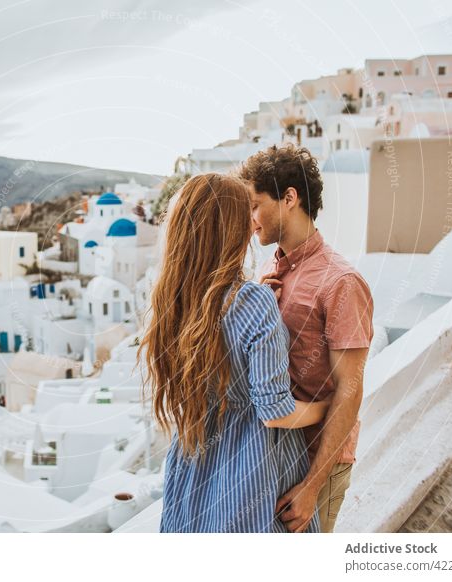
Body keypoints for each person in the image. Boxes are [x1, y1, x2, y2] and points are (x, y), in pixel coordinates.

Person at [140, 173, 329, 533]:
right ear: (231, 228)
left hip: (194, 471)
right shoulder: (254, 302)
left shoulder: (172, 305)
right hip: (251, 474)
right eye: (246, 213)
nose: (253, 221)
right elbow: (274, 412)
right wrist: (327, 407)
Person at [239, 144, 374, 533]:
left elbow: (350, 389)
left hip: (317, 464)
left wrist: (312, 487)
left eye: (255, 205)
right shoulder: (268, 268)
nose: (251, 220)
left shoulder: (341, 282)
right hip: (273, 458)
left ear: (290, 198)